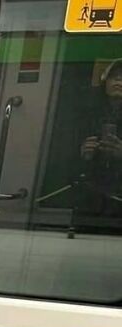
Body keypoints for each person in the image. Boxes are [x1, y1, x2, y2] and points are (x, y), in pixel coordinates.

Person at [73, 58, 122, 234]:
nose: (118, 82)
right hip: (90, 195)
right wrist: (83, 152)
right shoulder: (87, 113)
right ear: (105, 82)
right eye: (114, 77)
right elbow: (62, 154)